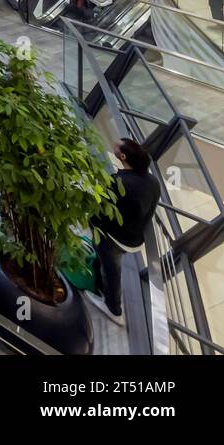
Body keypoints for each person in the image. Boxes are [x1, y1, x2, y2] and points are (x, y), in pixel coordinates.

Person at [87, 138, 159, 326]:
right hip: (135, 237)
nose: (113, 145)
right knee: (108, 265)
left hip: (116, 239)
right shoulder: (152, 181)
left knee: (112, 269)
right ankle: (101, 278)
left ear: (123, 156)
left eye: (117, 147)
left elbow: (100, 207)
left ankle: (114, 309)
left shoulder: (120, 182)